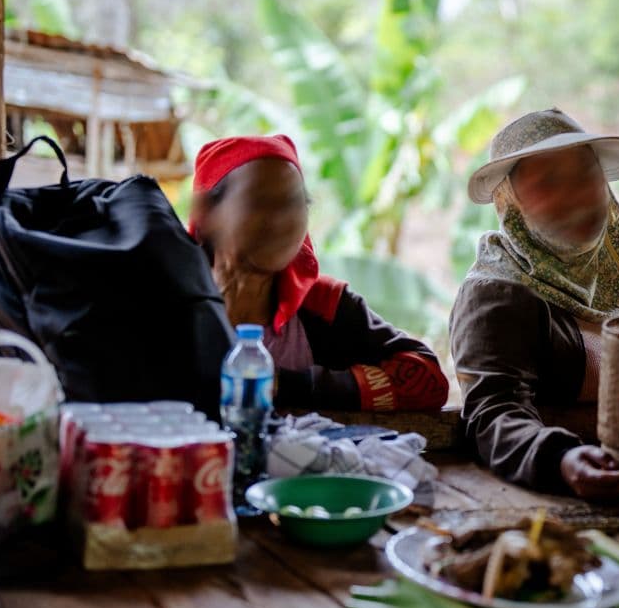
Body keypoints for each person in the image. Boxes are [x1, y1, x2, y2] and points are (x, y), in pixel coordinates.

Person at [450, 108, 619, 500]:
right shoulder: (498, 294)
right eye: (549, 182)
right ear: (512, 202)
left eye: (585, 175)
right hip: (548, 507)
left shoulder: (616, 284)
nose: (573, 195)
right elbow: (493, 413)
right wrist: (561, 459)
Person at [189, 134, 448, 411]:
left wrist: (288, 385)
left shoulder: (325, 305)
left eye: (295, 202)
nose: (284, 220)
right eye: (261, 202)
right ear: (206, 214)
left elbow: (427, 382)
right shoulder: (166, 307)